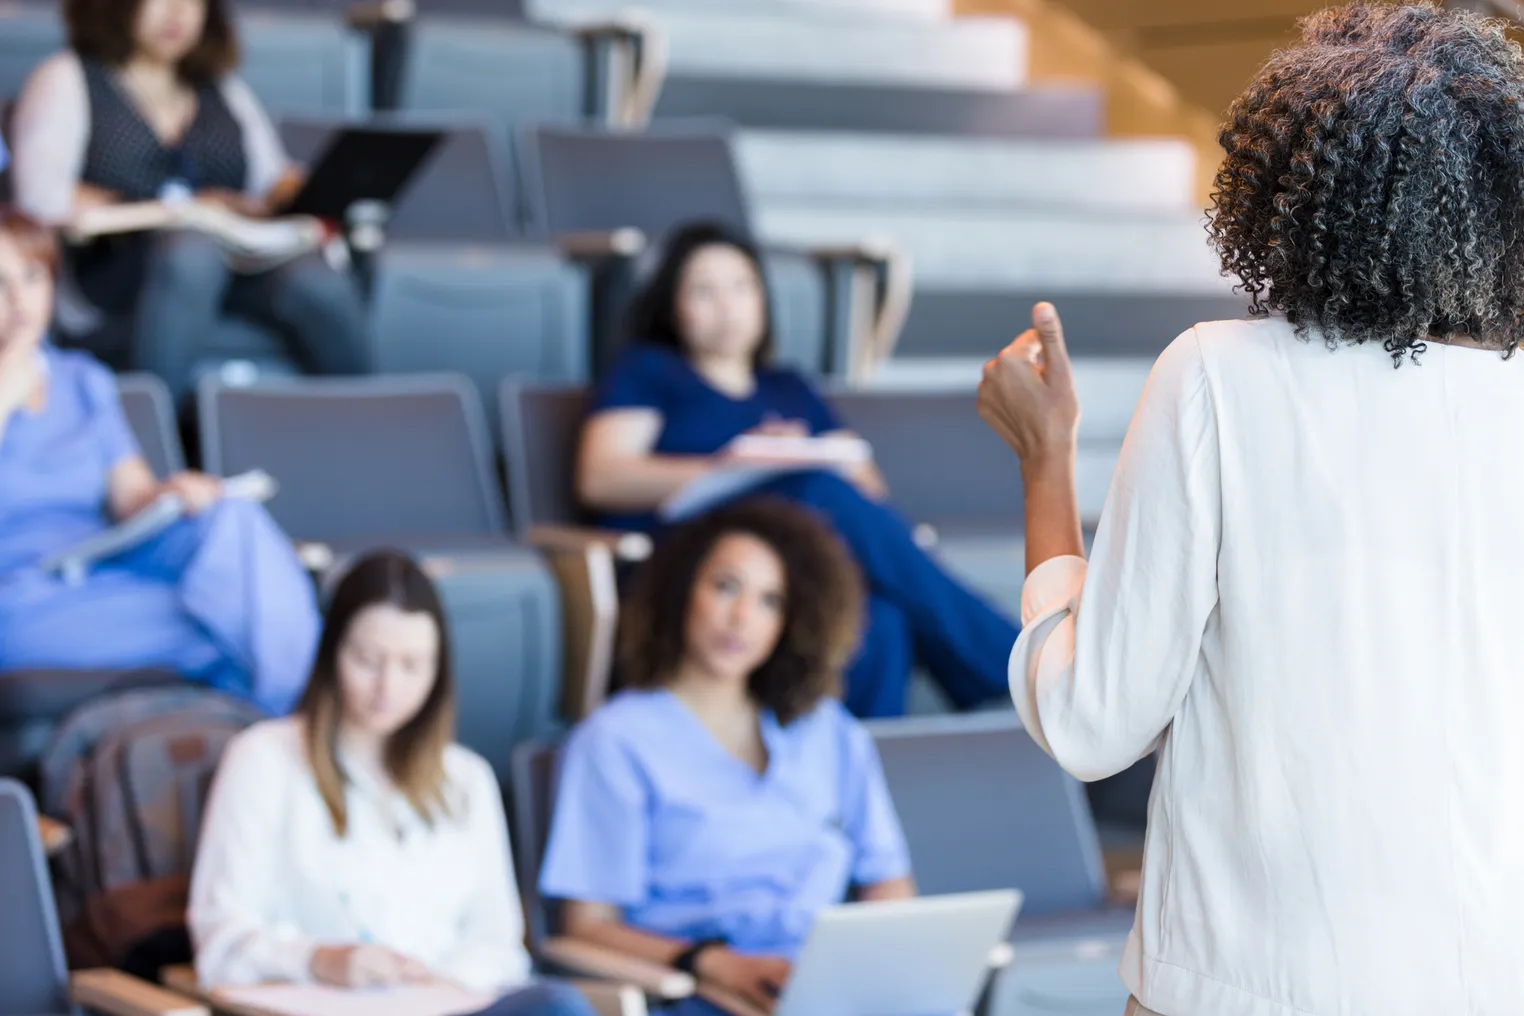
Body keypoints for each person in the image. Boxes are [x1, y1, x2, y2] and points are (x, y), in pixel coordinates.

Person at [978, 6, 1524, 1016]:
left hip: (1244, 982)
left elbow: (1094, 717)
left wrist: (1044, 457)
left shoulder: (1219, 380)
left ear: (1288, 192)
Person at [577, 220, 1018, 718]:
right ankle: (1008, 666)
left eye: (741, 288)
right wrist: (733, 465)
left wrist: (802, 453)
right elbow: (602, 476)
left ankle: (863, 775)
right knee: (812, 488)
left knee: (883, 619)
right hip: (692, 552)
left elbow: (869, 489)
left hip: (791, 559)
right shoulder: (650, 371)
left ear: (763, 300)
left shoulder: (789, 387)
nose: (727, 306)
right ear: (672, 306)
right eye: (704, 291)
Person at [540, 499, 915, 1016]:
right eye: (726, 587)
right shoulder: (615, 741)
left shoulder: (828, 731)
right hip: (703, 989)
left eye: (771, 601)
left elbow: (887, 879)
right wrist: (711, 964)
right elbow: (586, 925)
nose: (742, 617)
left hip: (825, 987)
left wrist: (880, 969)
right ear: (682, 592)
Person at [188, 551, 594, 1016]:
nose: (388, 687)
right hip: (323, 1008)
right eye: (367, 660)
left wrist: (438, 979)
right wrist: (320, 959)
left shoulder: (465, 778)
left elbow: (499, 947)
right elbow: (221, 940)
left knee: (557, 1005)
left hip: (443, 1004)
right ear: (331, 652)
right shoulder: (264, 759)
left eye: (411, 665)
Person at [0, 207, 317, 714]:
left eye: (32, 277)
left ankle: (286, 719)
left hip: (102, 563)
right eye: (0, 284)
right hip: (22, 596)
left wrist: (172, 495)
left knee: (231, 518)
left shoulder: (82, 379)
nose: (18, 301)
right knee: (232, 619)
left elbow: (132, 497)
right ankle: (296, 721)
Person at [8, 0, 369, 401]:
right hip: (119, 273)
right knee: (191, 253)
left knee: (315, 279)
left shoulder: (221, 87)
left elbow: (269, 181)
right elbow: (40, 197)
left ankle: (369, 426)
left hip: (236, 264)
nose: (178, 12)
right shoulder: (68, 77)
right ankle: (149, 437)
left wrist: (321, 186)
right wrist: (172, 207)